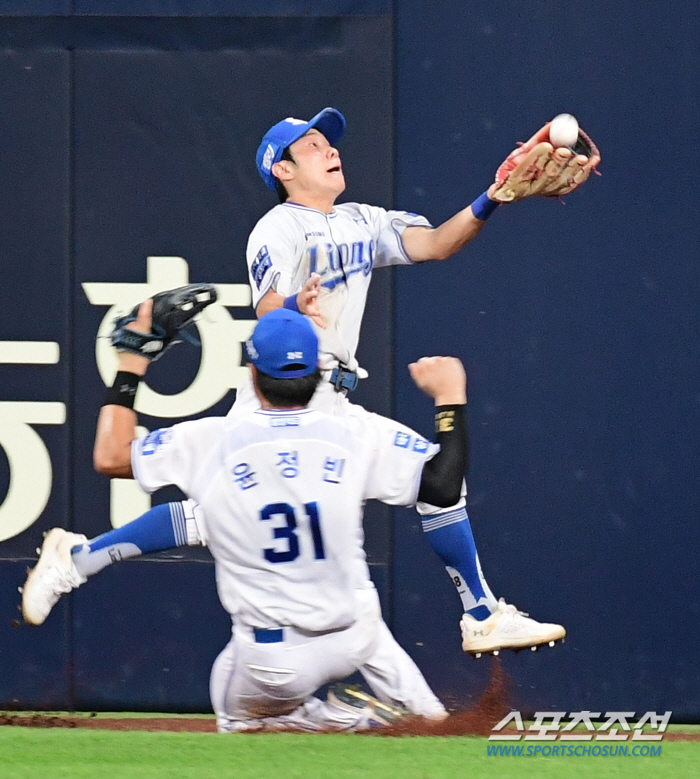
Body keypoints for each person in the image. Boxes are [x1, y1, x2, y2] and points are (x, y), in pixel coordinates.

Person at [22, 108, 565, 662]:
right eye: (311, 145)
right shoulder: (276, 228)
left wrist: (494, 196)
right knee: (213, 514)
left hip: (336, 405)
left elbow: (437, 244)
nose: (330, 149)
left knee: (436, 480)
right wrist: (293, 308)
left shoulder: (364, 220)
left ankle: (481, 615)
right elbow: (266, 304)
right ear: (281, 169)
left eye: (329, 142)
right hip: (281, 403)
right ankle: (77, 559)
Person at [93, 303, 467, 731]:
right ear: (319, 373)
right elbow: (443, 486)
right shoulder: (356, 434)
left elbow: (110, 455)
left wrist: (132, 361)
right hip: (355, 633)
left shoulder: (218, 440)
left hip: (278, 657)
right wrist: (449, 398)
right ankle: (409, 716)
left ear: (252, 374)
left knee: (237, 711)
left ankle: (347, 720)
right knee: (434, 727)